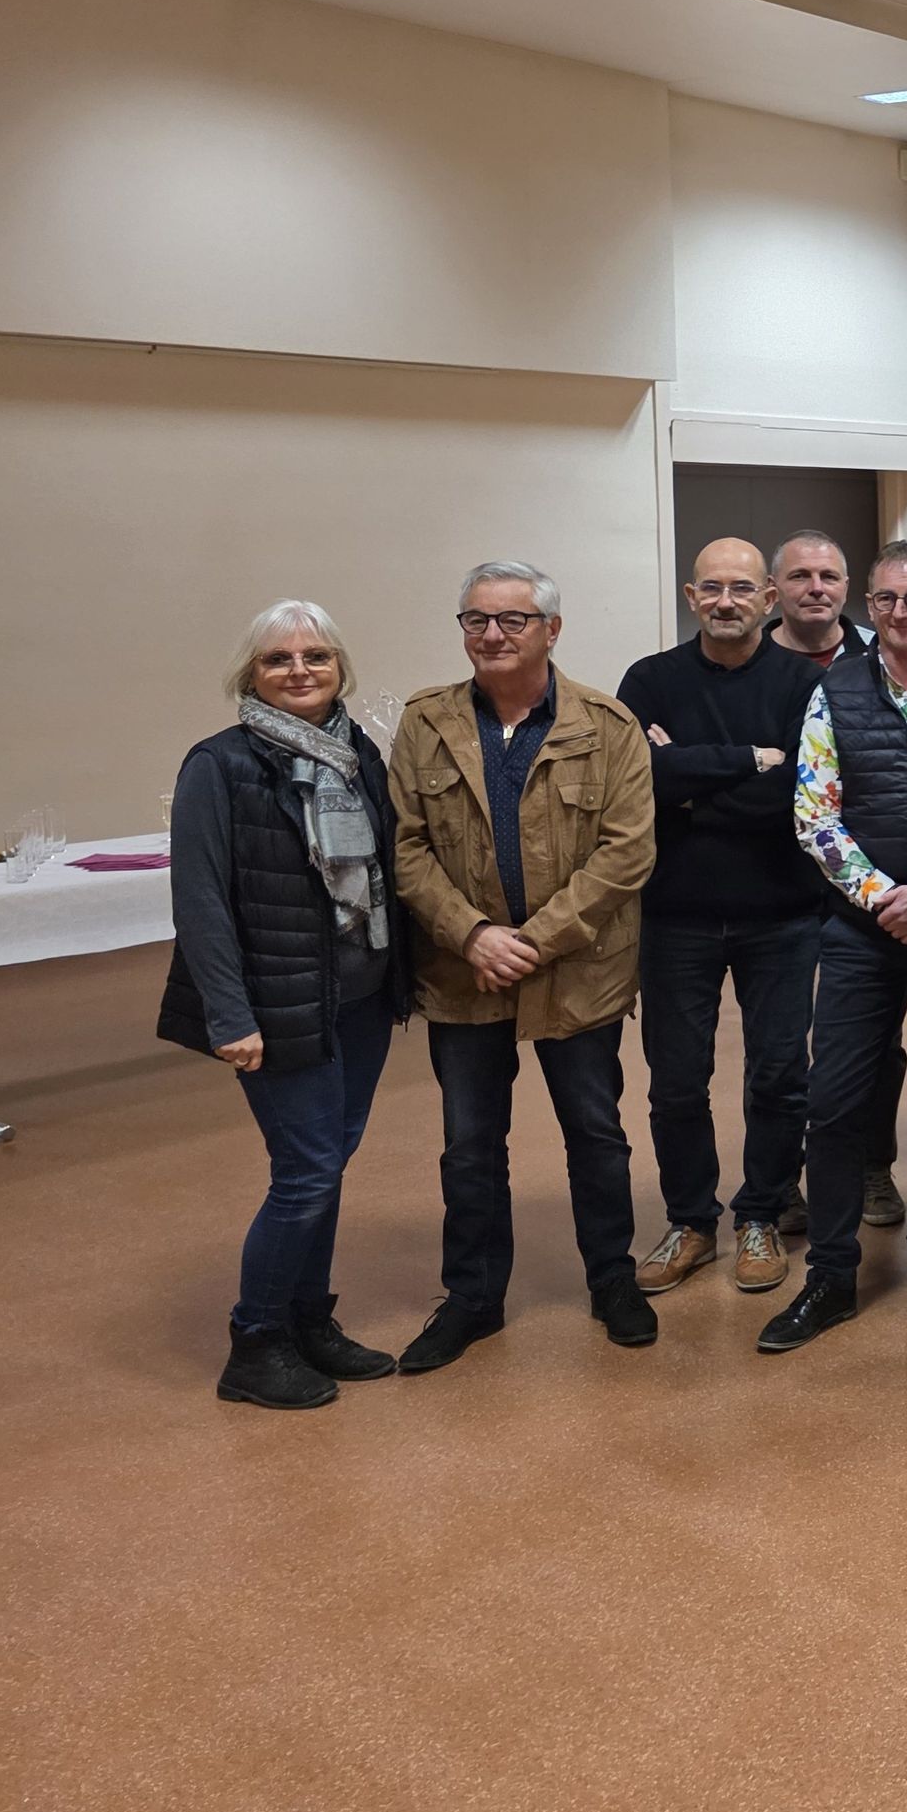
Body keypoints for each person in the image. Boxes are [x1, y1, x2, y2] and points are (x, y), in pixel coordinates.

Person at [388, 562, 658, 1370]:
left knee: (596, 1133)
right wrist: (472, 934)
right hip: (463, 970)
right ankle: (472, 1298)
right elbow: (405, 848)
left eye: (513, 619)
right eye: (476, 620)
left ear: (552, 630)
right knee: (470, 1143)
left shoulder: (607, 726)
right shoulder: (426, 723)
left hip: (577, 971)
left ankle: (612, 1279)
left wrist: (533, 941)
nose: (493, 635)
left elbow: (627, 852)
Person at [160, 600, 411, 1409]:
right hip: (277, 1004)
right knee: (305, 1172)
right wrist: (229, 1016)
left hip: (359, 998)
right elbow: (200, 902)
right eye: (279, 659)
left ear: (340, 668)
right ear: (252, 674)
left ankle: (309, 1320)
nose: (300, 671)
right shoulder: (219, 764)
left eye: (316, 657)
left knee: (328, 1164)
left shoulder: (357, 753)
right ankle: (256, 1339)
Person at [761, 541, 907, 1352]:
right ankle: (831, 1273)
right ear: (870, 605)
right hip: (862, 932)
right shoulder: (834, 691)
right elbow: (814, 815)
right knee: (836, 1102)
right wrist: (883, 898)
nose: (901, 612)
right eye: (887, 598)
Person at [616, 539, 821, 1300]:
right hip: (676, 916)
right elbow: (637, 782)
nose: (725, 601)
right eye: (711, 588)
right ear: (691, 596)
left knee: (779, 1076)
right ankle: (691, 1223)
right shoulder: (650, 680)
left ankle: (761, 1213)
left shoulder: (805, 682)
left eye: (741, 588)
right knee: (676, 1082)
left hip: (783, 914)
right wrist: (749, 759)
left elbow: (799, 795)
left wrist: (689, 775)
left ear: (768, 598)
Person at [768, 530, 871, 662]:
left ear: (845, 589)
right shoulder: (749, 657)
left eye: (829, 577)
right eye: (799, 576)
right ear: (773, 589)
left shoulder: (879, 652)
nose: (817, 588)